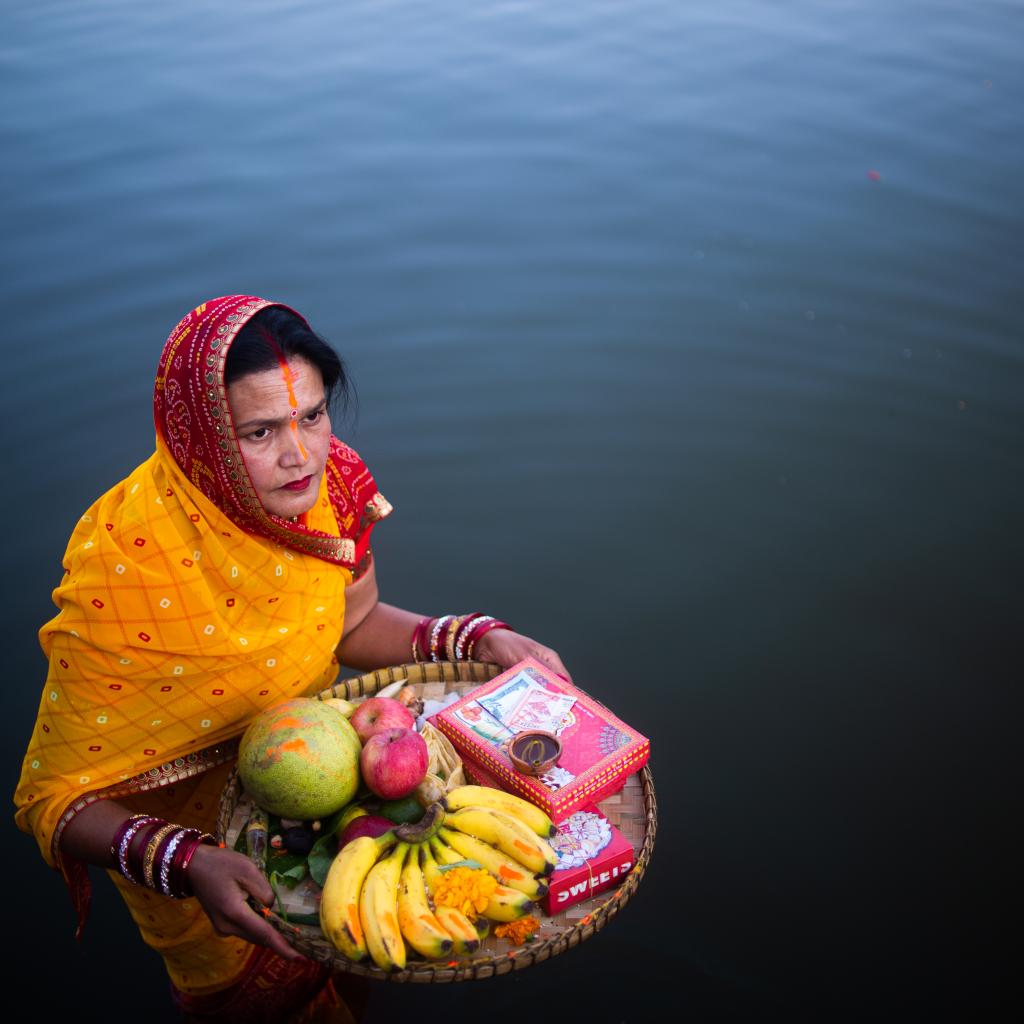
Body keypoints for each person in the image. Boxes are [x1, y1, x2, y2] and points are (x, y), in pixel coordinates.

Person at [13, 295, 569, 1022]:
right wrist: (187, 862)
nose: (300, 454)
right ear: (200, 439)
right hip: (199, 859)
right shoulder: (127, 564)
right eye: (259, 431)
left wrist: (472, 637)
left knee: (353, 962)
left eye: (311, 415)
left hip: (331, 796)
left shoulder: (332, 488)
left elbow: (354, 624)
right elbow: (54, 801)